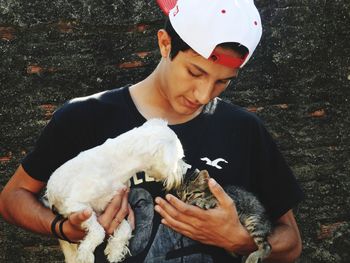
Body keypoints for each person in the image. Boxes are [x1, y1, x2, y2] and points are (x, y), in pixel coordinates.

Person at [0, 0, 304, 262]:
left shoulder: (244, 129)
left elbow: (291, 243)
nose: (203, 94)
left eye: (223, 81)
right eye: (194, 72)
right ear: (165, 44)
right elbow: (13, 197)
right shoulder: (85, 116)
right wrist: (65, 229)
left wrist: (241, 240)